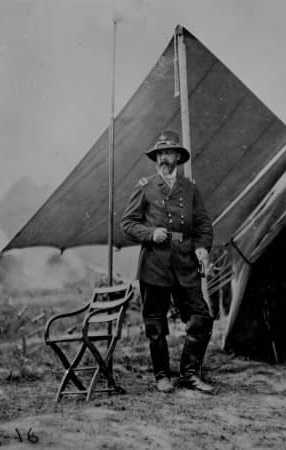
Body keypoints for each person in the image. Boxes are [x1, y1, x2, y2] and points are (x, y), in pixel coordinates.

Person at [120, 129, 215, 393]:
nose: (164, 158)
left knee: (201, 317)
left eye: (168, 153)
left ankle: (189, 374)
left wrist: (202, 248)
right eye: (160, 153)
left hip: (185, 262)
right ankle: (162, 375)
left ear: (177, 157)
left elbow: (204, 225)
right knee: (155, 323)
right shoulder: (145, 187)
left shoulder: (190, 189)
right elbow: (127, 223)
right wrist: (150, 233)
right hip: (155, 264)